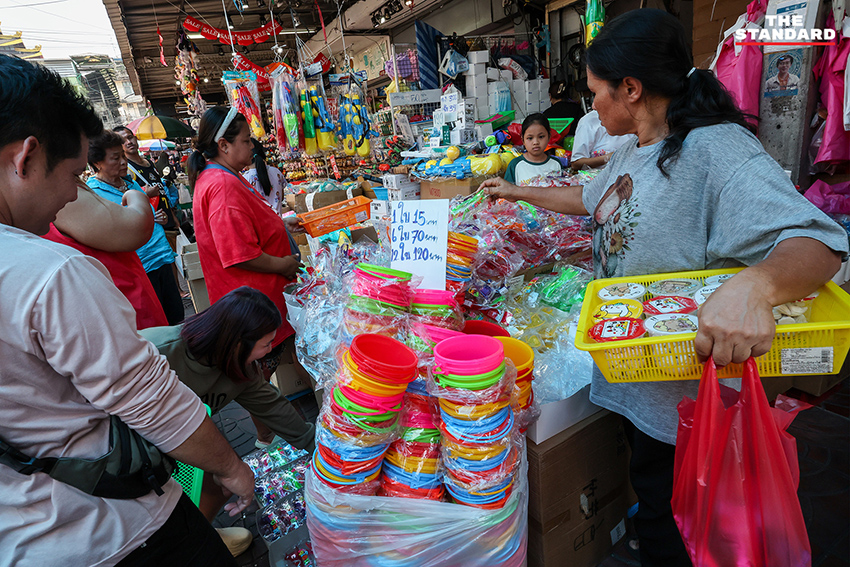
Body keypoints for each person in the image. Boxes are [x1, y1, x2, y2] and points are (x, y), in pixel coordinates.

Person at [479, 10, 848, 567]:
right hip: (639, 378)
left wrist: (757, 285)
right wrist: (518, 192)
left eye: (596, 93)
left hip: (689, 405)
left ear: (631, 89)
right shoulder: (633, 147)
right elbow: (591, 200)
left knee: (679, 527)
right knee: (652, 500)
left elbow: (818, 240)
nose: (592, 107)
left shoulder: (718, 152)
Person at [0, 53, 253, 567]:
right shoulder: (48, 273)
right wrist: (229, 466)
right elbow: (145, 395)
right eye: (74, 175)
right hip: (119, 530)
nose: (74, 194)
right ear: (26, 158)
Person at [141, 286, 315, 554]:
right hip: (126, 450)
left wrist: (322, 449)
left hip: (182, 441)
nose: (270, 350)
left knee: (215, 480)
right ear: (237, 343)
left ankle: (202, 535)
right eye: (266, 344)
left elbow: (274, 407)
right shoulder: (156, 353)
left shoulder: (240, 367)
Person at [189, 106, 304, 447]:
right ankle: (266, 438)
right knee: (254, 377)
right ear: (223, 145)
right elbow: (239, 253)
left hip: (252, 298)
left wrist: (278, 225)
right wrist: (284, 265)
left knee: (258, 372)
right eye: (244, 140)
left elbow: (244, 230)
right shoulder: (221, 185)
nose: (252, 145)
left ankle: (272, 432)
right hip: (252, 300)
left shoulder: (222, 177)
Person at [87, 130, 185, 325]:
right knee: (157, 323)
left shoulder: (130, 182)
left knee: (176, 316)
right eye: (116, 158)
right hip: (140, 267)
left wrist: (159, 218)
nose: (123, 162)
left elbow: (145, 214)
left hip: (160, 256)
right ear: (98, 163)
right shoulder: (95, 194)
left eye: (123, 156)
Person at [43, 178, 169, 330]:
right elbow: (136, 227)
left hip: (121, 307)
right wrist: (136, 196)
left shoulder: (50, 195)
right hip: (124, 309)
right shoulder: (61, 194)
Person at [504, 114, 563, 185]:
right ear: (523, 140)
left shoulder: (556, 164)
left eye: (541, 137)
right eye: (530, 138)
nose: (535, 142)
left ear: (549, 137)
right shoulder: (515, 165)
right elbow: (507, 193)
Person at [569, 109, 635, 170]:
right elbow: (576, 163)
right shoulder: (590, 120)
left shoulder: (635, 118)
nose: (593, 106)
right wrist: (610, 157)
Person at [243, 138, 287, 215]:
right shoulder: (276, 172)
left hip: (261, 225)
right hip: (279, 222)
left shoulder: (245, 179)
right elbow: (281, 197)